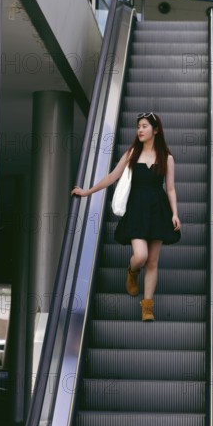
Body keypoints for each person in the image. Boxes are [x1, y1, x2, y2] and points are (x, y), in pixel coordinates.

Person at [71, 112, 181, 321]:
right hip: (137, 210)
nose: (140, 130)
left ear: (156, 130)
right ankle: (132, 271)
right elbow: (113, 176)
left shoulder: (167, 158)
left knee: (153, 261)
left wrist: (175, 214)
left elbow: (171, 189)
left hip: (158, 210)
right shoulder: (132, 153)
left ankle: (147, 307)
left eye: (145, 126)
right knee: (141, 256)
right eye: (138, 126)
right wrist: (87, 191)